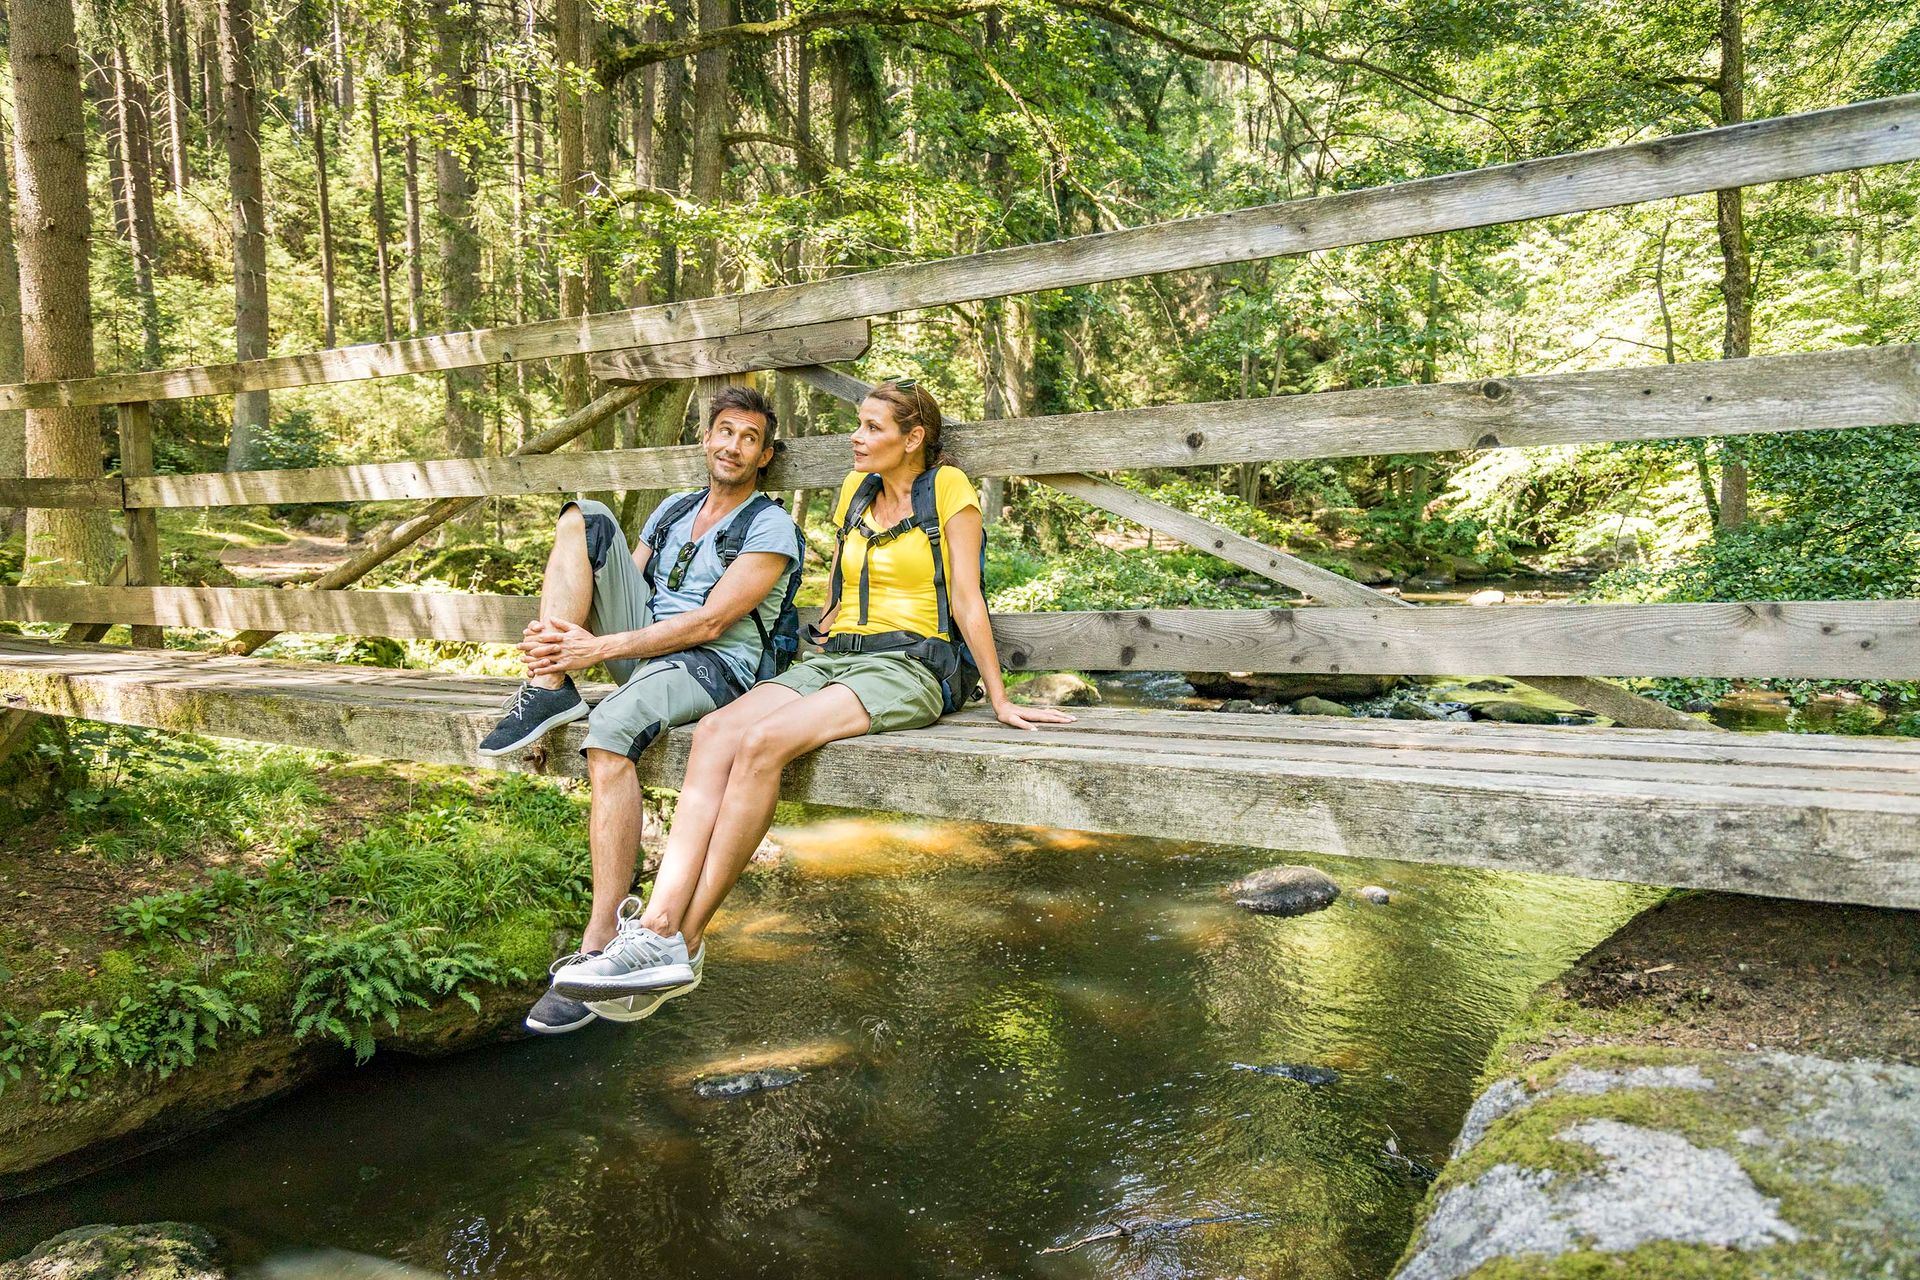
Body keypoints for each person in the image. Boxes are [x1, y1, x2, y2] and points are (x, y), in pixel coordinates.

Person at [549, 378, 1074, 1008]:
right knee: (718, 733)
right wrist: (817, 633)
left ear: (913, 440)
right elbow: (839, 586)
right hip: (835, 659)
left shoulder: (949, 490)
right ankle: (651, 930)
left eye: (873, 427)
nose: (856, 436)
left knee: (764, 742)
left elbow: (966, 598)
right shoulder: (855, 491)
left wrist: (999, 696)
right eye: (859, 423)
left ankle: (676, 938)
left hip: (911, 666)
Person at [484, 385, 803, 1035]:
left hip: (717, 670)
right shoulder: (671, 511)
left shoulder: (771, 525)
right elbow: (615, 582)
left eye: (749, 438)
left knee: (609, 730)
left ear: (765, 455)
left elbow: (714, 623)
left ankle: (600, 942)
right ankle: (547, 683)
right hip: (647, 655)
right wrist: (563, 642)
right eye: (725, 431)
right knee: (585, 517)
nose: (734, 445)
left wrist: (597, 647)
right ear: (706, 439)